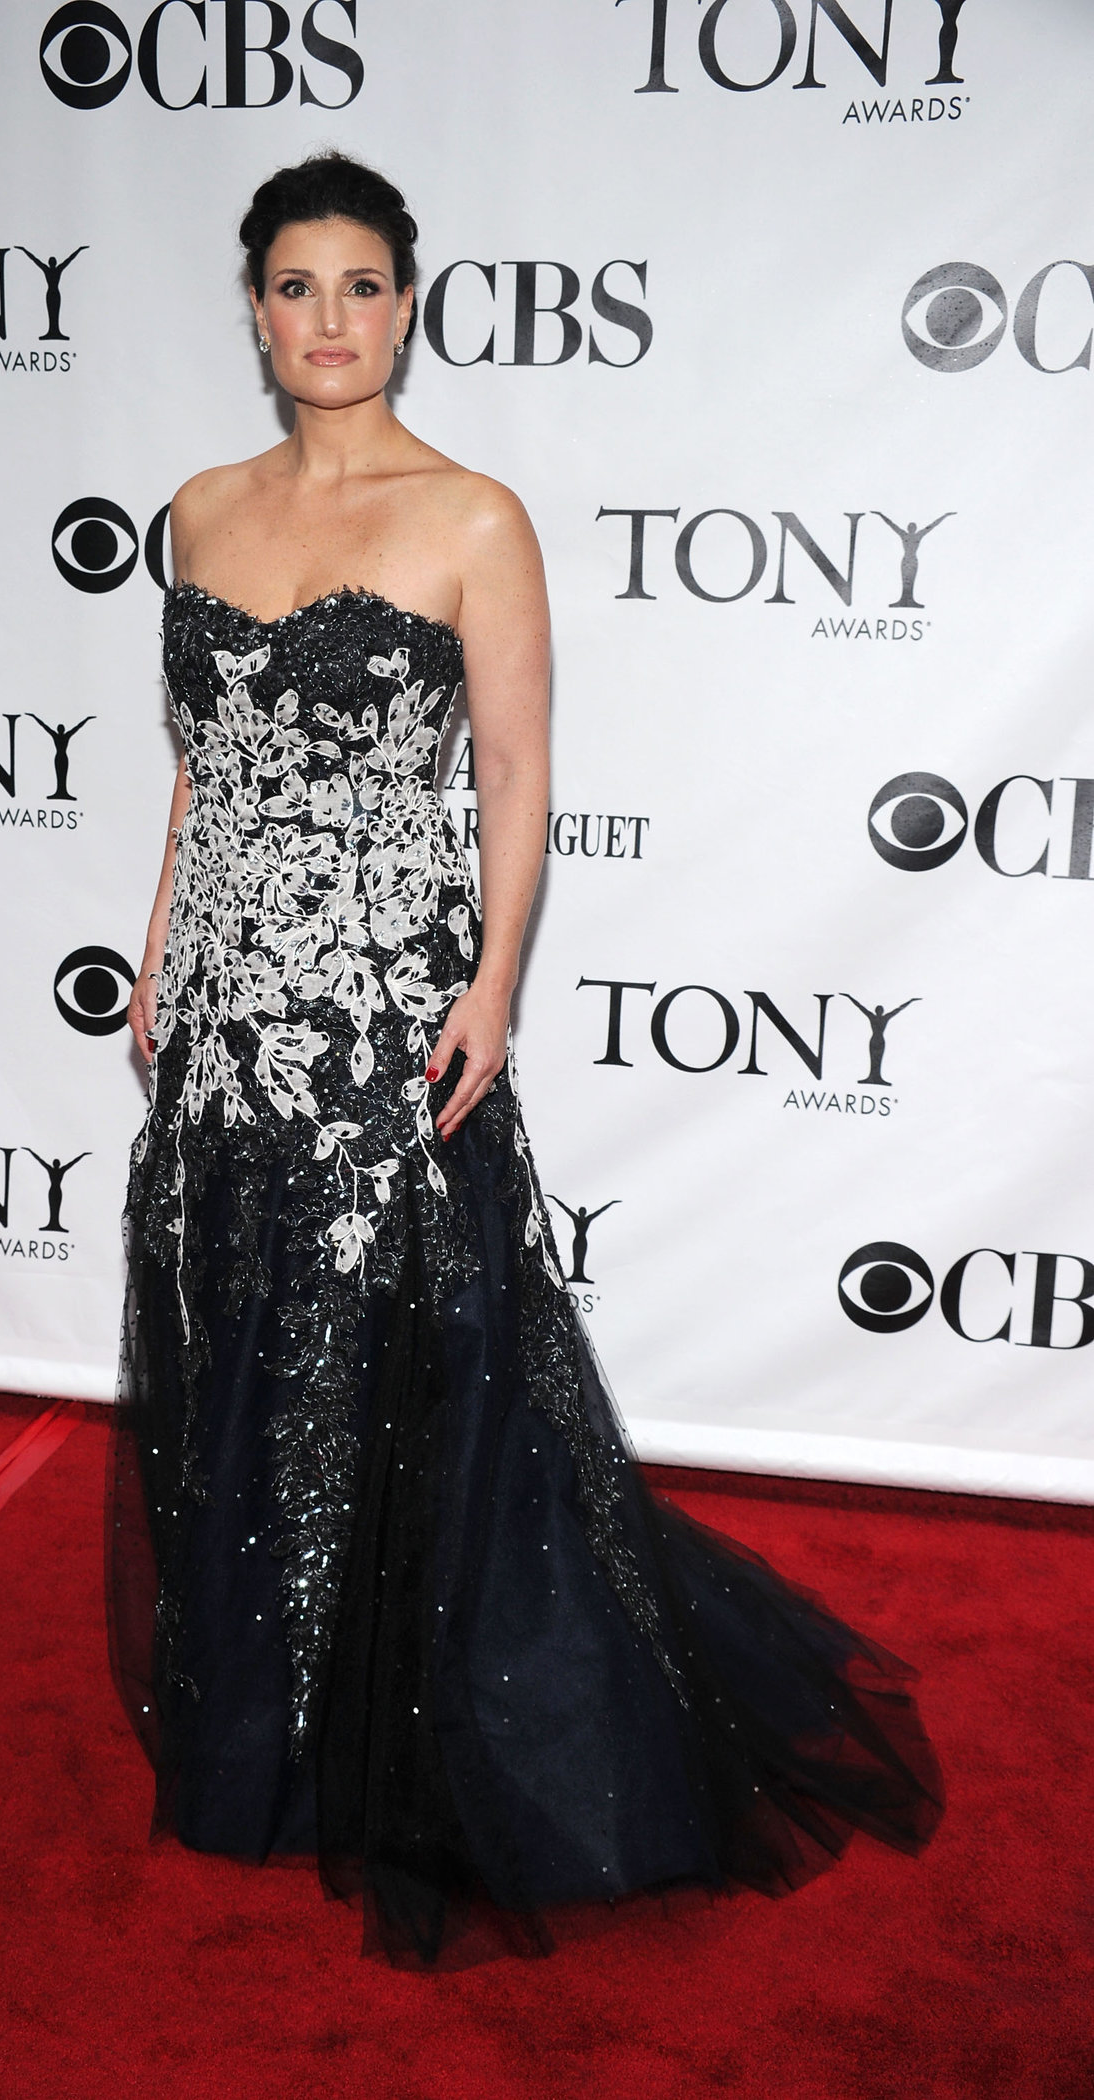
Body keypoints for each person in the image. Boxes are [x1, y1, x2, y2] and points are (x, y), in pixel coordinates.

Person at [111, 152, 942, 1968]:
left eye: (363, 285)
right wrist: (165, 938)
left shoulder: (472, 516)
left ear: (409, 305)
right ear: (253, 309)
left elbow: (513, 777)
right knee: (236, 1345)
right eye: (295, 286)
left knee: (399, 1368)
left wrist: (490, 983)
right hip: (233, 1004)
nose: (330, 319)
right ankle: (269, 1728)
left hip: (384, 1002)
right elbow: (205, 763)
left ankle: (436, 1736)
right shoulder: (194, 511)